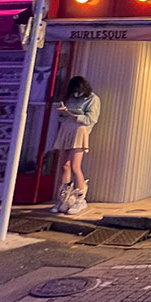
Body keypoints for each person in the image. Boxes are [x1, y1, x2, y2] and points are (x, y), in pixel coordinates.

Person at [52, 76, 101, 214]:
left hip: (80, 130)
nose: (75, 93)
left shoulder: (93, 99)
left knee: (75, 166)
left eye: (77, 90)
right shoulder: (71, 98)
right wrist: (62, 112)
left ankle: (80, 199)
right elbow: (61, 117)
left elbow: (92, 119)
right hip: (67, 129)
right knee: (65, 165)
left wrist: (72, 114)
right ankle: (64, 198)